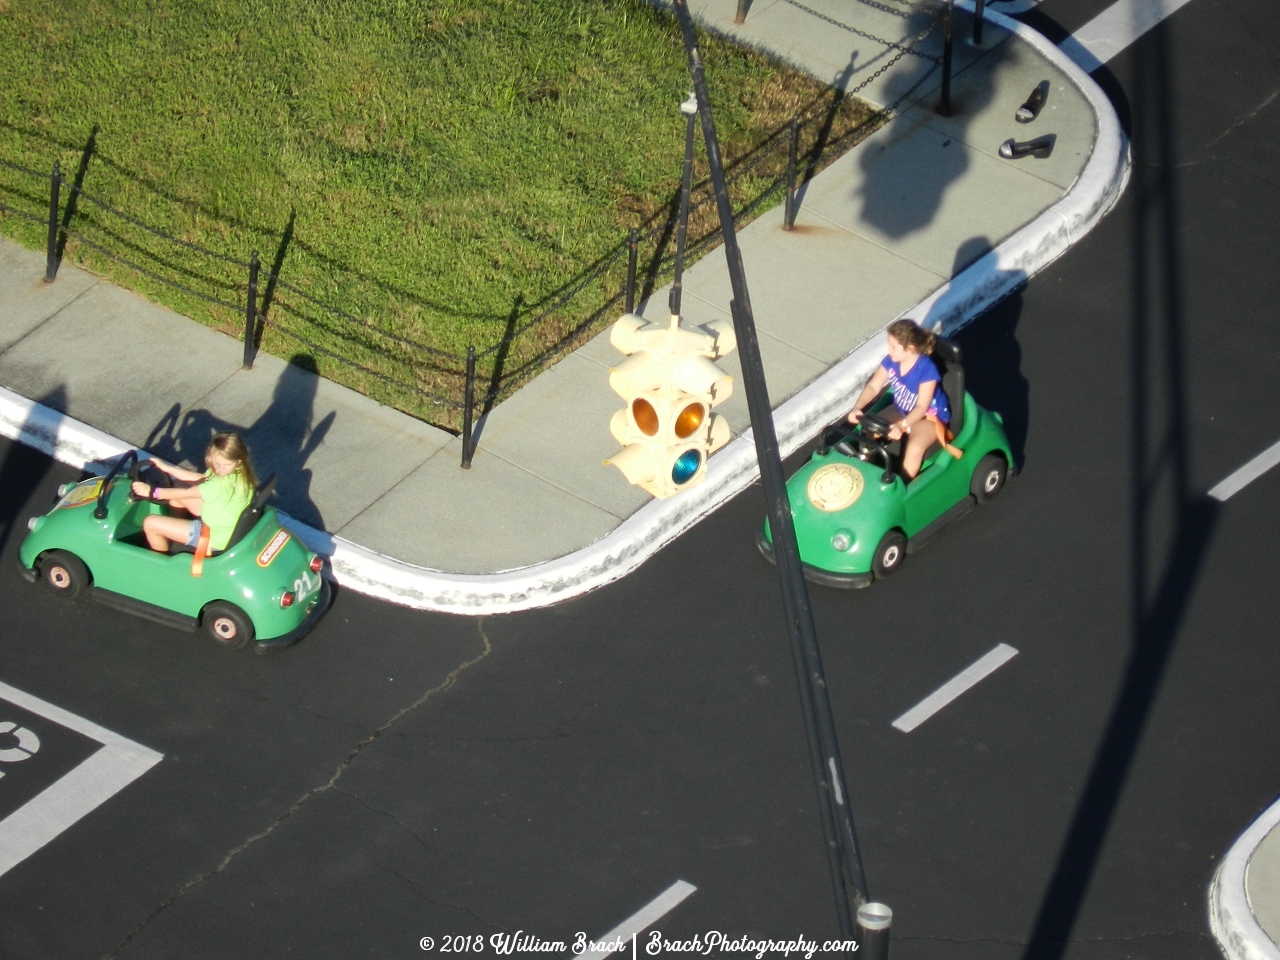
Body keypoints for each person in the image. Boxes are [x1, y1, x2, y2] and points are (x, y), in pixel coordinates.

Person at [846, 319, 956, 480]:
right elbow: (873, 386)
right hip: (901, 408)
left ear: (910, 349)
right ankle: (864, 470)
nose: (889, 350)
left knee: (915, 449)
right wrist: (857, 407)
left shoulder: (926, 370)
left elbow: (921, 407)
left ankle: (903, 486)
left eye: (893, 347)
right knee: (869, 428)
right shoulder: (892, 360)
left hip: (929, 417)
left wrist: (901, 425)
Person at [131, 432, 256, 555]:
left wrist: (151, 492)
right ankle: (174, 535)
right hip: (223, 526)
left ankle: (162, 561)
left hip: (213, 538)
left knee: (150, 523)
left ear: (238, 461)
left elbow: (186, 493)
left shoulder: (218, 484)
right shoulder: (240, 473)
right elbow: (201, 479)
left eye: (226, 465)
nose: (221, 468)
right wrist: (167, 469)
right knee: (177, 485)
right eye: (218, 463)